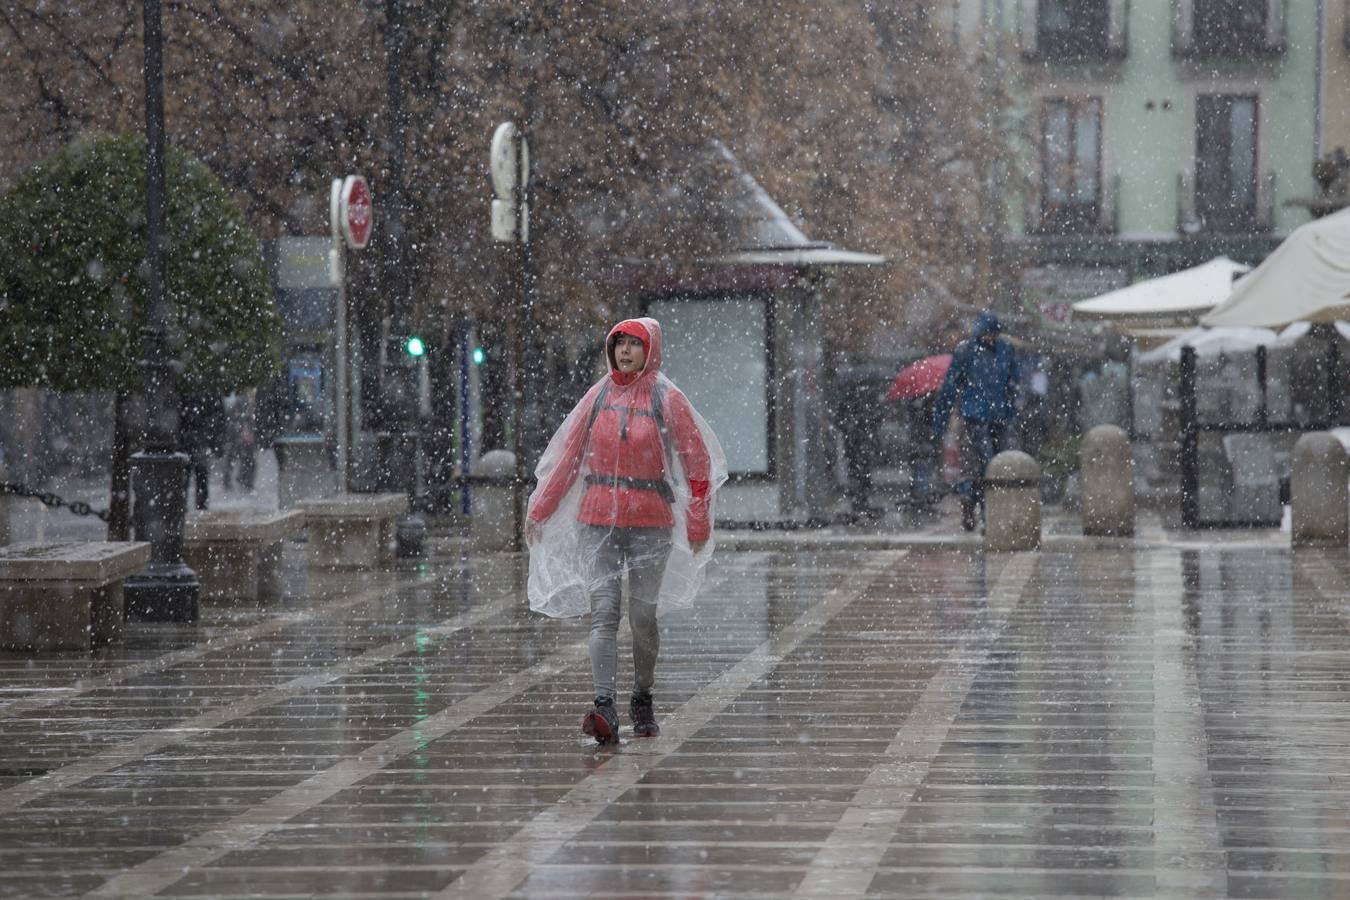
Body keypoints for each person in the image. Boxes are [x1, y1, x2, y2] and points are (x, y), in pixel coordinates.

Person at [526, 317, 727, 745]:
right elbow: (569, 457)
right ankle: (604, 706)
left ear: (650, 350)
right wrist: (541, 508)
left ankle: (642, 695)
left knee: (641, 617)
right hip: (597, 520)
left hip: (650, 524)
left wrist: (697, 519)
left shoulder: (667, 399)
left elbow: (697, 462)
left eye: (635, 345)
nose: (625, 352)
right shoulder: (598, 397)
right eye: (620, 344)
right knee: (603, 612)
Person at [931, 311, 1019, 531]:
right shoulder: (966, 351)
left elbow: (1013, 383)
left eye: (993, 334)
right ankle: (978, 506)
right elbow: (950, 389)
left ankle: (982, 506)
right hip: (975, 417)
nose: (991, 338)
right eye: (988, 333)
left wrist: (1012, 409)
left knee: (995, 465)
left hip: (998, 416)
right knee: (983, 463)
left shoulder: (1005, 350)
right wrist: (940, 422)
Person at [179, 390, 225, 511]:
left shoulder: (192, 392)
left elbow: (217, 416)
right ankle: (198, 508)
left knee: (193, 476)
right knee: (199, 476)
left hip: (193, 439)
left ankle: (190, 508)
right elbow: (218, 416)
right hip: (198, 439)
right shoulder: (209, 390)